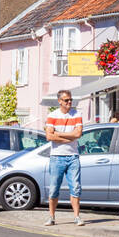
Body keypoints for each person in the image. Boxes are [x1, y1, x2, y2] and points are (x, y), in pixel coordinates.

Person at [44, 91, 84, 226]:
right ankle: (51, 216)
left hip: (73, 156)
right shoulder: (52, 115)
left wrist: (59, 134)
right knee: (54, 188)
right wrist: (69, 136)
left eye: (70, 100)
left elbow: (78, 133)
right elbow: (49, 137)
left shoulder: (77, 114)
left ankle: (77, 217)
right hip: (57, 156)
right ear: (59, 101)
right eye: (66, 100)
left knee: (76, 187)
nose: (69, 102)